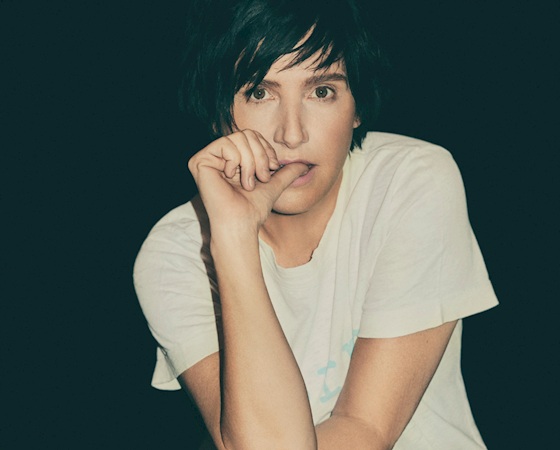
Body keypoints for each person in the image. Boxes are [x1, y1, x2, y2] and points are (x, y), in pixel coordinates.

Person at [133, 0, 499, 448]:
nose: (291, 134)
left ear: (356, 106)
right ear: (216, 111)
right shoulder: (173, 254)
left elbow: (365, 430)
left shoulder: (409, 181)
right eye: (259, 92)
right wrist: (232, 238)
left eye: (321, 91)